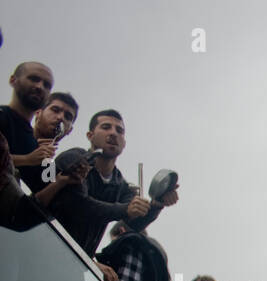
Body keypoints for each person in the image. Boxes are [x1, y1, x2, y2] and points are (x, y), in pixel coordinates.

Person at [49, 109, 177, 257]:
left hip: (77, 261)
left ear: (124, 143)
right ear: (90, 136)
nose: (113, 133)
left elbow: (133, 223)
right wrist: (125, 209)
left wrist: (157, 204)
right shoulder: (74, 159)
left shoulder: (120, 184)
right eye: (105, 127)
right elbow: (82, 206)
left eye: (119, 131)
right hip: (45, 244)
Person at [0, 61, 53, 189]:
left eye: (47, 85)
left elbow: (48, 183)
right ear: (13, 80)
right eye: (33, 79)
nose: (40, 87)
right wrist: (26, 159)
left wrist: (68, 175)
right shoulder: (2, 116)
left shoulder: (34, 143)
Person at [15, 90, 76, 193]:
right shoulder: (15, 131)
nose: (61, 117)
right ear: (38, 113)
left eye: (68, 116)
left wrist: (61, 181)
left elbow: (40, 201)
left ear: (69, 130)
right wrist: (27, 159)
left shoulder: (48, 163)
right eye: (55, 110)